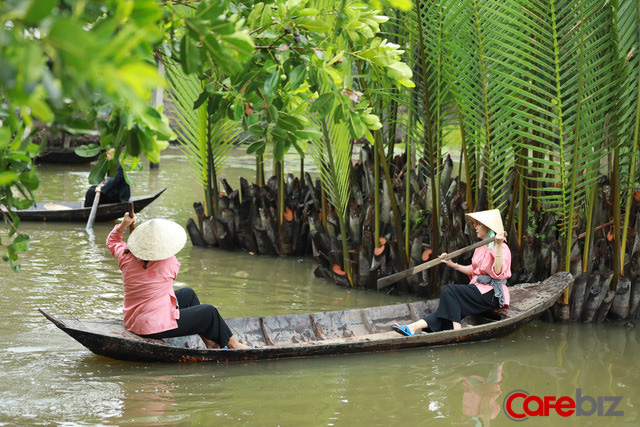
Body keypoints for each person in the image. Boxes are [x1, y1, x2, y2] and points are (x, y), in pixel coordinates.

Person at [106, 212, 249, 349]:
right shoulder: (169, 263)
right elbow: (164, 266)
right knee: (209, 312)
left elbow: (112, 241)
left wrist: (123, 225)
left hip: (133, 319)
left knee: (188, 294)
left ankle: (210, 342)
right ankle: (233, 344)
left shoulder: (125, 255)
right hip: (151, 325)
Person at [393, 209, 511, 335]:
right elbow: (473, 270)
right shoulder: (480, 247)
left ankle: (456, 332)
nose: (475, 227)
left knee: (449, 290)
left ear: (488, 227)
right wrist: (452, 264)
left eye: (479, 224)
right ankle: (411, 327)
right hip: (477, 289)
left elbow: (498, 272)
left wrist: (498, 246)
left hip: (492, 294)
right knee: (444, 312)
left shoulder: (503, 248)